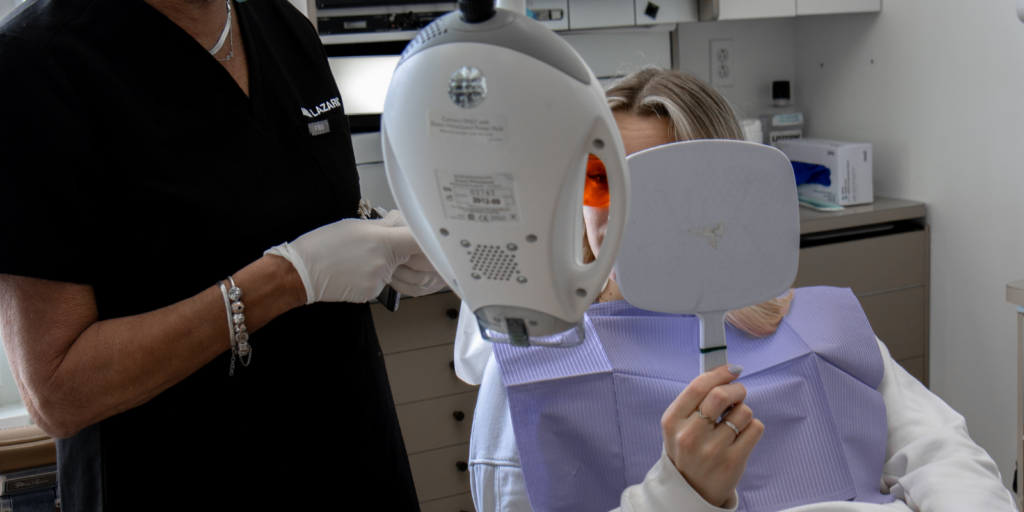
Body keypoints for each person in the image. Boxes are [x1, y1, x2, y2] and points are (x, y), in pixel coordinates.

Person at [454, 68, 1016, 512]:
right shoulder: (534, 371)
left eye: (660, 188)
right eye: (603, 181)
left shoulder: (820, 326)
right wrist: (677, 492)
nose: (622, 217)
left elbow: (944, 458)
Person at [0, 0, 444, 509]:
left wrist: (384, 248)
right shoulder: (33, 67)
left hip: (352, 458)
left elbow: (276, 214)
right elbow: (58, 391)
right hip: (189, 475)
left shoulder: (285, 30)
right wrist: (283, 282)